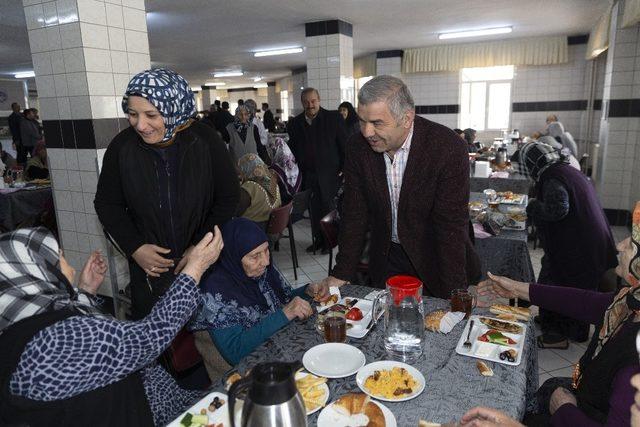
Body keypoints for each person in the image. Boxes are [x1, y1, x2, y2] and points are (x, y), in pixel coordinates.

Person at [0, 226, 224, 426]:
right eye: (60, 258)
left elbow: (84, 354)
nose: (70, 266)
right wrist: (195, 268)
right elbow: (148, 338)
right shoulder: (54, 343)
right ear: (37, 270)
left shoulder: (22, 328)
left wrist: (85, 292)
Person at [477, 199, 640, 426]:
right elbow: (584, 302)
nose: (620, 246)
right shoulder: (632, 299)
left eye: (631, 244)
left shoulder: (633, 367)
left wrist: (565, 410)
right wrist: (516, 288)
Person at [94, 68, 239, 319]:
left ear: (174, 110)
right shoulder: (122, 147)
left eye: (151, 114)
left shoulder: (204, 140)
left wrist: (199, 247)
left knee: (206, 335)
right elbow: (107, 204)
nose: (140, 124)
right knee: (157, 341)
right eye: (132, 114)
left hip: (205, 265)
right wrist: (136, 247)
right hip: (150, 272)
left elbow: (228, 198)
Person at [321, 75, 480, 297]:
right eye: (362, 120)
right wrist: (342, 272)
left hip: (436, 256)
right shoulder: (357, 147)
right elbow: (355, 214)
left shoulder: (448, 148)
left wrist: (455, 292)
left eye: (377, 123)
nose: (366, 132)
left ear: (406, 118)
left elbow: (450, 226)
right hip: (387, 255)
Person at [511, 142, 616, 347]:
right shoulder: (564, 169)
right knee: (555, 278)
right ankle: (554, 321)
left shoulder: (552, 177)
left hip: (579, 246)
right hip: (587, 240)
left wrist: (532, 206)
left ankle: (557, 335)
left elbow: (558, 209)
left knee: (563, 283)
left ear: (533, 163)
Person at [191, 218, 329, 367]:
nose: (266, 262)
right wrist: (284, 314)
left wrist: (306, 291)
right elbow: (235, 352)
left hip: (276, 347)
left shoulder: (258, 269)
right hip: (244, 371)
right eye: (255, 256)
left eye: (266, 250)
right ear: (233, 256)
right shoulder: (214, 293)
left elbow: (283, 298)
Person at [287, 88, 347, 253]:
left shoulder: (333, 118)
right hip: (308, 176)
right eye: (306, 102)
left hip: (330, 175)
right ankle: (318, 240)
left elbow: (345, 146)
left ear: (319, 100)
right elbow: (292, 150)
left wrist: (345, 168)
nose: (310, 105)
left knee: (328, 210)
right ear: (302, 103)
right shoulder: (294, 123)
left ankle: (329, 243)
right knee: (313, 210)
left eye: (313, 101)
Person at [236, 153, 281, 228]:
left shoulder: (250, 187)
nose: (240, 174)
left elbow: (236, 211)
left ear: (247, 169)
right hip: (271, 228)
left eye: (241, 170)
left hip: (251, 230)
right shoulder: (272, 181)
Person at [267, 136, 301, 204]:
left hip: (284, 205)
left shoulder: (275, 169)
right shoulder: (296, 167)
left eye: (273, 150)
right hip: (299, 204)